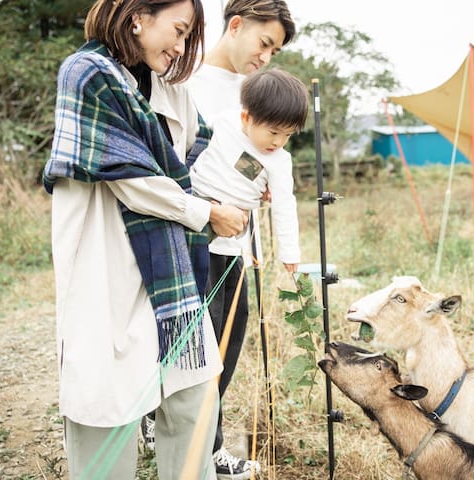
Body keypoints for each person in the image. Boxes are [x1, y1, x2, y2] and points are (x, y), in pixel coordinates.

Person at [42, 0, 249, 478]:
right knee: (105, 402)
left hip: (169, 268)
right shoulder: (86, 74)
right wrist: (207, 212)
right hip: (105, 260)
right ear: (138, 15)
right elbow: (133, 180)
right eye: (177, 31)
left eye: (187, 36)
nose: (180, 47)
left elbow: (197, 153)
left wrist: (249, 180)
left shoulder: (169, 86)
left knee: (193, 395)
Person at [187, 1, 297, 478]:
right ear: (235, 25)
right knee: (196, 338)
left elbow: (262, 169)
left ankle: (198, 432)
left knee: (229, 337)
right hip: (190, 233)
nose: (266, 57)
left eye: (275, 50)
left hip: (238, 242)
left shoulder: (259, 93)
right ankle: (194, 442)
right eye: (264, 43)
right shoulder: (184, 80)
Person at [190, 68, 308, 276]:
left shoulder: (279, 160)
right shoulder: (224, 121)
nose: (278, 141)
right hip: (196, 201)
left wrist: (289, 252)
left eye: (287, 134)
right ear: (246, 118)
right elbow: (190, 136)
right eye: (273, 132)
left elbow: (285, 205)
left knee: (225, 294)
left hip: (230, 228)